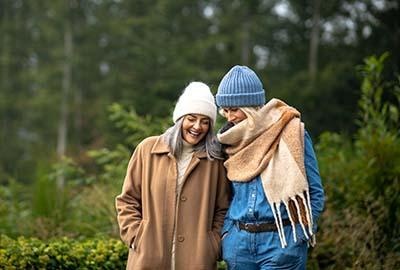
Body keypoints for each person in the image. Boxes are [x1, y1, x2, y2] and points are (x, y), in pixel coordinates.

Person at [215, 65, 325, 270]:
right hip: (239, 245)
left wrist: (298, 236)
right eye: (226, 110)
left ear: (251, 106)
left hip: (281, 242)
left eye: (235, 109)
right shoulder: (229, 142)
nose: (229, 117)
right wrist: (227, 234)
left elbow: (315, 193)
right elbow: (226, 196)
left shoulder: (291, 132)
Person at [115, 81, 231, 270]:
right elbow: (127, 200)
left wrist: (212, 244)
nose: (197, 126)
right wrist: (136, 236)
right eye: (191, 118)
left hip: (197, 261)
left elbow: (223, 209)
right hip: (148, 259)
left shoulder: (214, 160)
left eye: (205, 121)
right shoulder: (148, 150)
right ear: (180, 119)